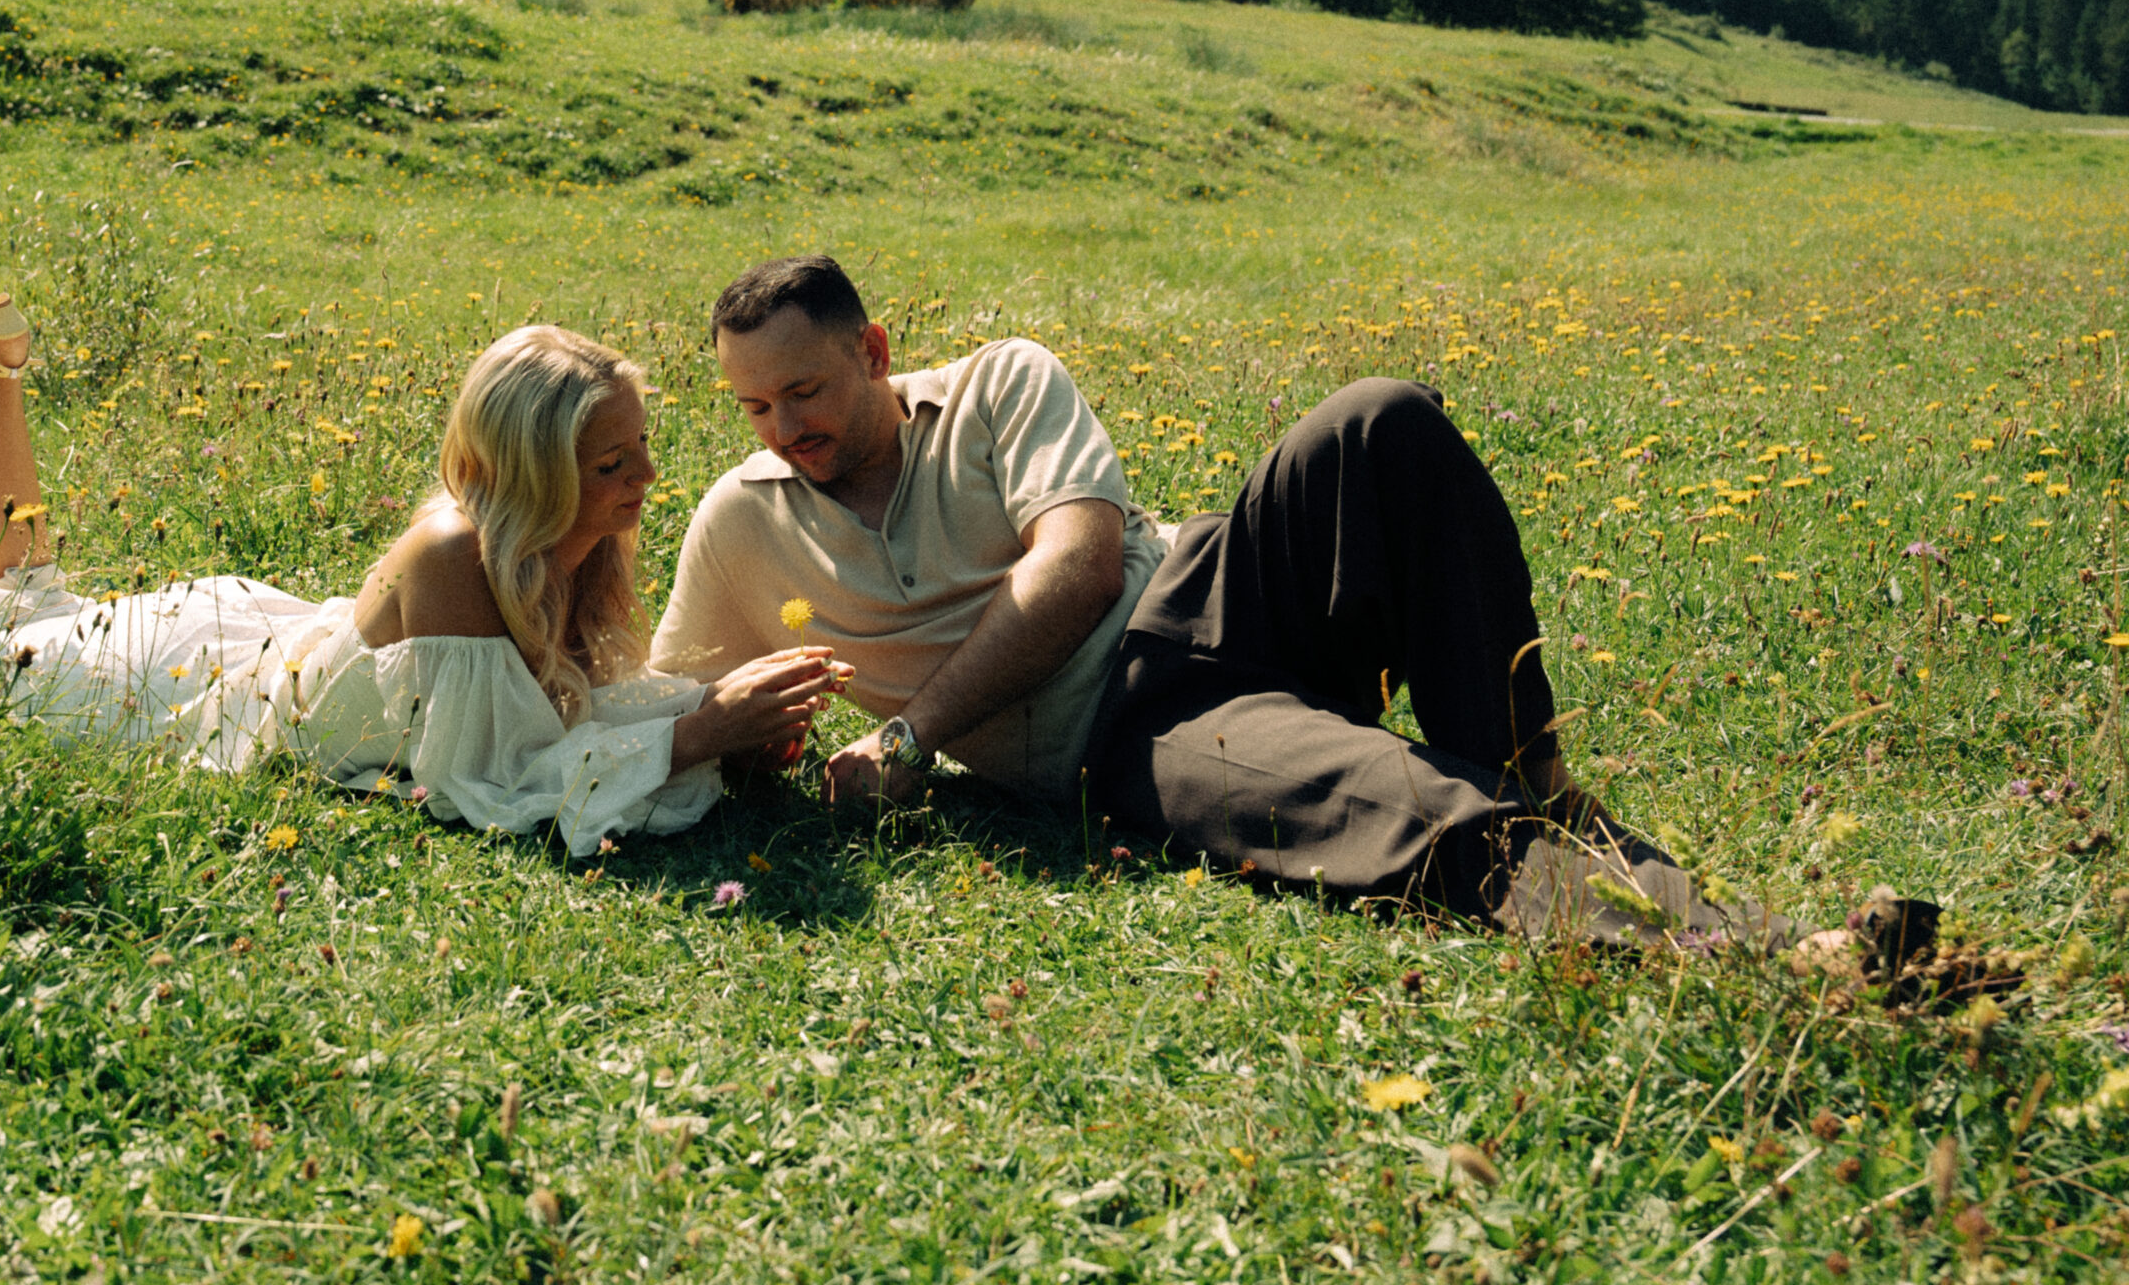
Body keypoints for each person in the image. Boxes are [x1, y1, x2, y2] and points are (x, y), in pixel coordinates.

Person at [654, 254, 1790, 944]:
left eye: (802, 389)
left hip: (1207, 583)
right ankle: (1742, 946)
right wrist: (741, 733)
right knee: (1384, 794)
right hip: (1133, 728)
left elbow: (1080, 565)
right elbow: (665, 702)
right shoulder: (742, 521)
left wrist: (908, 738)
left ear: (874, 350)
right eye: (753, 407)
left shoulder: (999, 380)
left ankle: (1534, 773)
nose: (783, 426)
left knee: (1377, 419)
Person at [0, 249, 838, 857]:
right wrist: (699, 729)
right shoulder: (454, 551)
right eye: (610, 464)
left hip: (241, 647)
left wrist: (708, 707)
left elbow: (562, 710)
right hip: (194, 689)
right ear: (533, 470)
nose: (645, 480)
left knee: (15, 615)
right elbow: (492, 780)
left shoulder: (569, 545)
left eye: (639, 448)